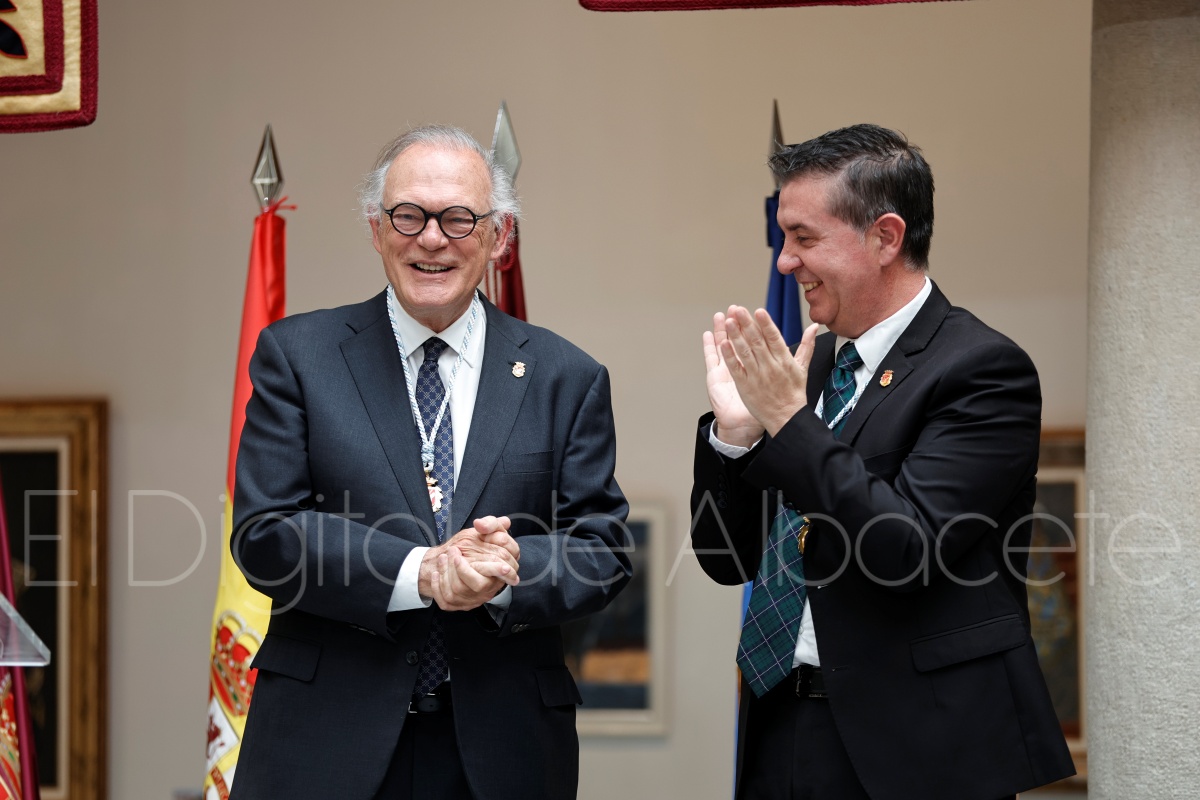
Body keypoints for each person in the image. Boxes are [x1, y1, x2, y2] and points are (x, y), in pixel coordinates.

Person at [230, 124, 632, 800]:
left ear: (499, 236)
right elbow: (265, 534)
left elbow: (602, 551)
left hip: (503, 753)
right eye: (409, 216)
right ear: (376, 229)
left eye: (458, 219)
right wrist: (421, 572)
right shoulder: (298, 357)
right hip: (325, 744)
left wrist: (504, 573)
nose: (432, 239)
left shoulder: (566, 376)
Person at [691, 124, 1075, 800]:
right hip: (780, 723)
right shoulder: (809, 368)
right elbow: (727, 561)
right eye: (784, 238)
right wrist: (737, 437)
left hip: (920, 748)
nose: (785, 262)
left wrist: (790, 424)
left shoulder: (983, 369)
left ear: (886, 237)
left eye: (804, 238)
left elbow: (906, 549)